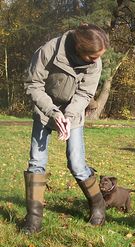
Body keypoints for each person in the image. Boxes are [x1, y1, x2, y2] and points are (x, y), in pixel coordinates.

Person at [23, 24, 109, 234]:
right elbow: (32, 83)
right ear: (80, 48)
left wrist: (68, 117)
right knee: (37, 161)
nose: (96, 61)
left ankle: (98, 206)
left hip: (74, 113)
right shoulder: (49, 50)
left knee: (77, 163)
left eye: (99, 56)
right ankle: (34, 219)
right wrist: (53, 112)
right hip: (44, 109)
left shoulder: (95, 63)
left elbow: (85, 94)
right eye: (92, 57)